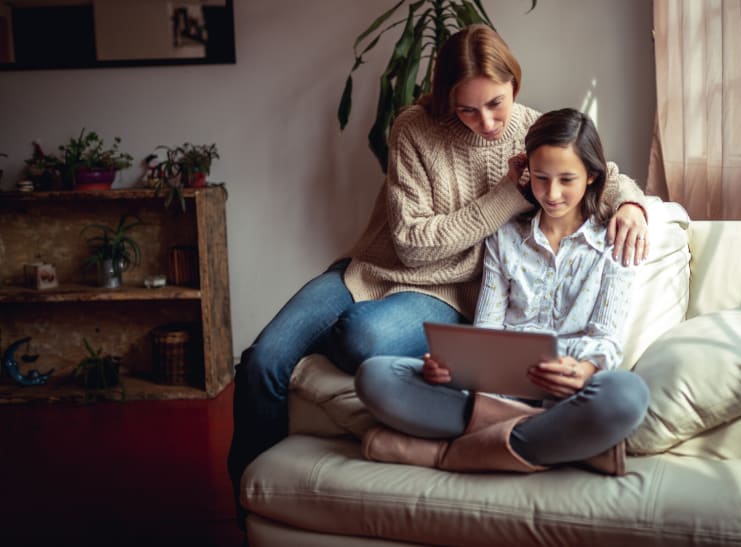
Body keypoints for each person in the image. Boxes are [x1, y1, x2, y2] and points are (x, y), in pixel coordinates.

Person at [228, 24, 652, 510]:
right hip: (370, 270)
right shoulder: (412, 128)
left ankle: (466, 449)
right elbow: (410, 246)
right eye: (466, 108)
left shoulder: (532, 131)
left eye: (496, 103)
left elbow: (602, 173)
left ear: (514, 84)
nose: (487, 122)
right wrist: (505, 198)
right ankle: (249, 502)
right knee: (262, 360)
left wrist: (632, 208)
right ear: (445, 97)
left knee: (360, 340)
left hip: (446, 292)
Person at [354, 108, 650, 475]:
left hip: (565, 394)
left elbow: (606, 337)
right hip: (495, 389)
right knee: (376, 376)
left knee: (626, 396)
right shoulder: (506, 236)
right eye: (541, 178)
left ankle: (450, 453)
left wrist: (586, 370)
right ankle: (557, 445)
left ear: (591, 176)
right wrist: (456, 367)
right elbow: (487, 329)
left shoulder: (614, 241)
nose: (552, 193)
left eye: (566, 179)